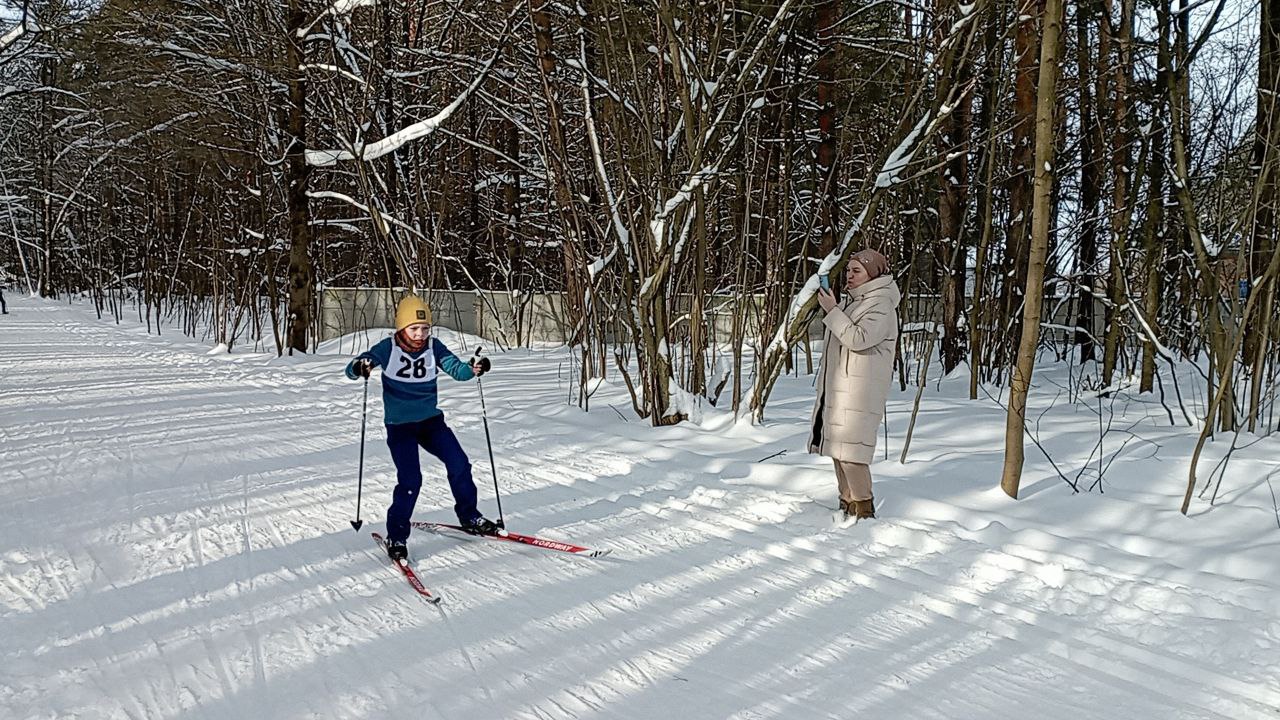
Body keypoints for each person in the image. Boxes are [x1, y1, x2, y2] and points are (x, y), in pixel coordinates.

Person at [346, 295, 496, 560]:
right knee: (411, 480)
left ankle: (470, 516)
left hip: (431, 423)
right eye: (414, 328)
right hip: (400, 426)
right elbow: (356, 365)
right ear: (402, 328)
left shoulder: (433, 347)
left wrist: (473, 369)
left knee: (459, 464)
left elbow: (457, 370)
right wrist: (361, 366)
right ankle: (397, 535)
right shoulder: (388, 347)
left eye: (425, 328)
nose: (420, 334)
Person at [809, 248, 901, 520]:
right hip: (842, 388)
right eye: (848, 270)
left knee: (852, 454)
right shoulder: (856, 301)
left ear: (872, 274)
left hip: (860, 392)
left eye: (856, 271)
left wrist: (833, 311)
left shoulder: (881, 304)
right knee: (838, 449)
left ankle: (864, 510)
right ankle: (846, 504)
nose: (849, 275)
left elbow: (859, 338)